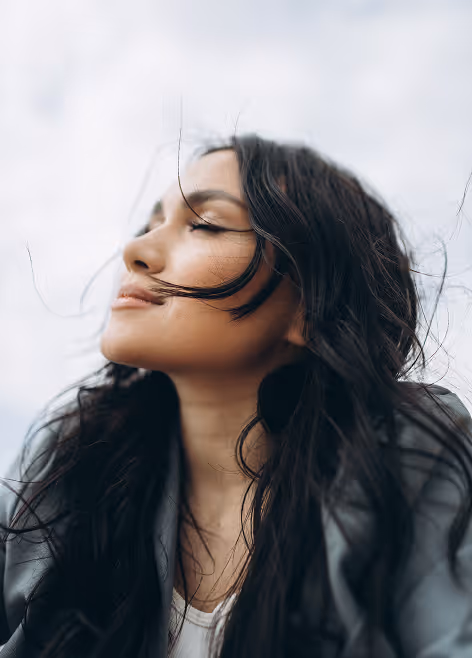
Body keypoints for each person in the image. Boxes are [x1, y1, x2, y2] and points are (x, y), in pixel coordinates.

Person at [1, 134, 472, 658]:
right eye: (150, 224)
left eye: (205, 224)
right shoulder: (67, 460)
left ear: (310, 308)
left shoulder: (407, 451)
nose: (136, 249)